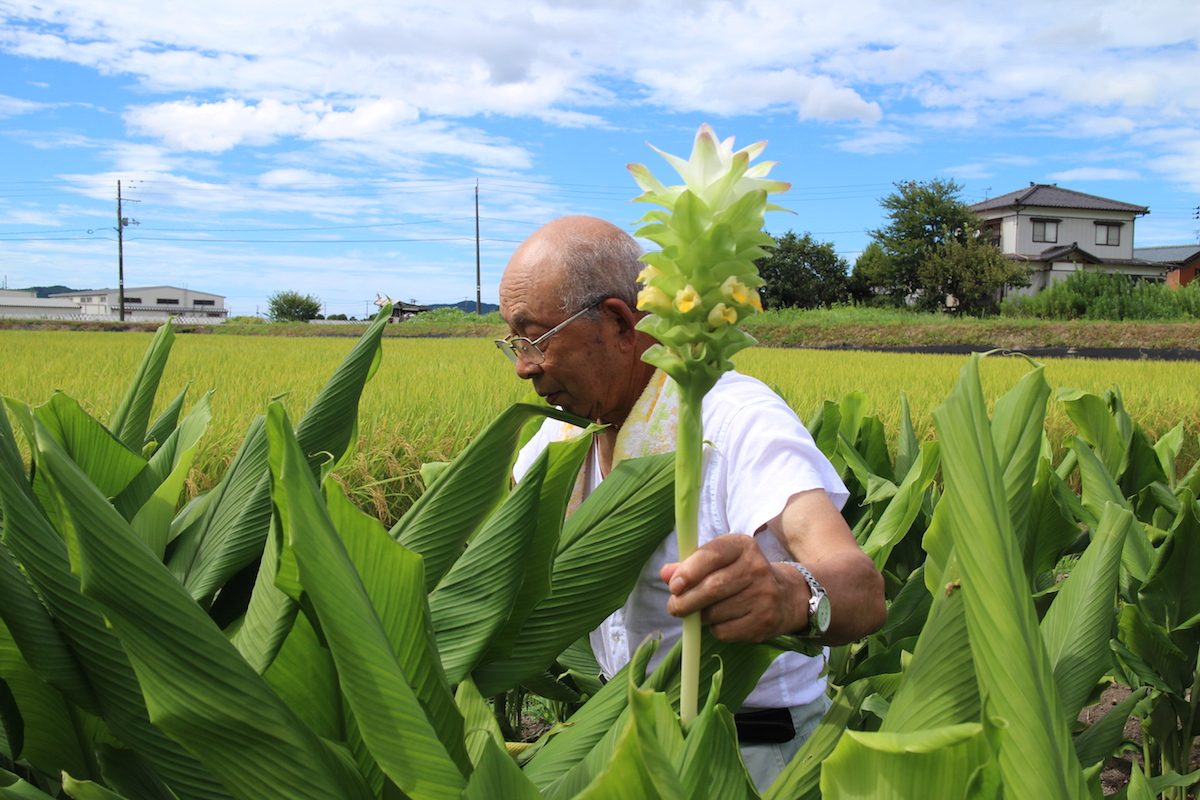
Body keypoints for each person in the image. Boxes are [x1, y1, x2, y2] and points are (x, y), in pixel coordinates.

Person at [498, 215, 886, 791]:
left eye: (534, 338)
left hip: (752, 755)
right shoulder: (550, 449)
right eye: (511, 343)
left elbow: (861, 589)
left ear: (618, 322)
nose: (524, 366)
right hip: (632, 747)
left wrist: (789, 595)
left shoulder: (733, 418)